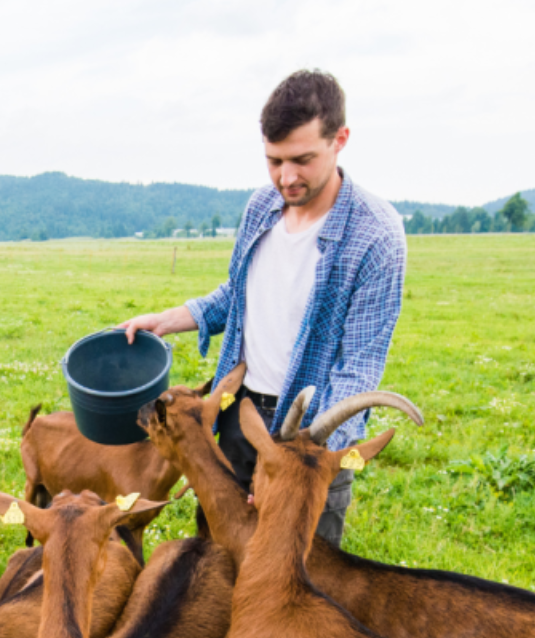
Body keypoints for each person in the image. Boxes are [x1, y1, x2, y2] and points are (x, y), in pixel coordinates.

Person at [124, 69, 407, 546]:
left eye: (302, 159)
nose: (286, 177)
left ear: (340, 140)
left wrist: (292, 463)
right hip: (240, 410)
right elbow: (238, 294)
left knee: (297, 576)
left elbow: (357, 371)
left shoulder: (376, 236)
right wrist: (168, 320)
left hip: (310, 438)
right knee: (216, 558)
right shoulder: (262, 208)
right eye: (274, 160)